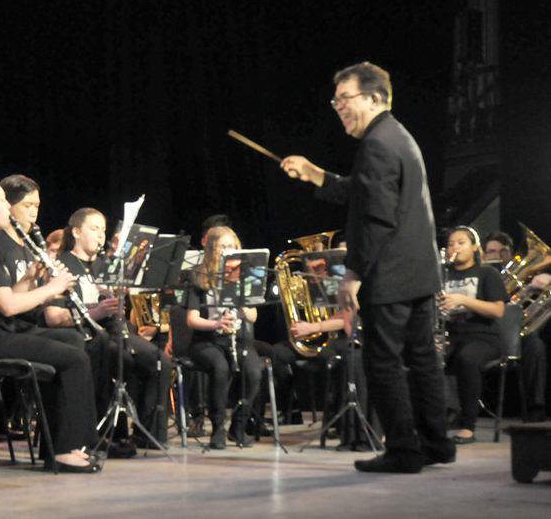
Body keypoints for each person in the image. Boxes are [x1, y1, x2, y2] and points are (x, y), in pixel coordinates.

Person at [280, 61, 455, 473]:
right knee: (423, 359)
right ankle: (436, 443)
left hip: (390, 275)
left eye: (346, 98)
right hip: (418, 272)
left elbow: (375, 219)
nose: (338, 106)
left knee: (384, 363)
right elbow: (364, 194)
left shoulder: (376, 144)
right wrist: (315, 174)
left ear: (374, 98)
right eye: (335, 100)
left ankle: (404, 451)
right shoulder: (395, 136)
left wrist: (353, 275)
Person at [0, 173, 99, 473]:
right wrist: (51, 289)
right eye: (2, 200)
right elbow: (8, 306)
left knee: (72, 341)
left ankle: (55, 445)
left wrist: (29, 281)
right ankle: (67, 449)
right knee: (74, 357)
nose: (6, 206)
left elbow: (4, 298)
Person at [45, 207, 173, 448]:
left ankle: (147, 433)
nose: (101, 235)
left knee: (160, 362)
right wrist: (97, 310)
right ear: (76, 232)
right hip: (85, 334)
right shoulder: (62, 265)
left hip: (115, 330)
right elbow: (54, 315)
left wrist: (119, 295)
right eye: (94, 229)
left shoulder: (107, 264)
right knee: (121, 358)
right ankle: (108, 432)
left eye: (103, 229)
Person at [185, 226, 263, 449]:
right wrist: (216, 324)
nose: (228, 251)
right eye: (223, 247)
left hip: (238, 340)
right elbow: (192, 319)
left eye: (232, 247)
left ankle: (238, 426)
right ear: (212, 250)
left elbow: (253, 316)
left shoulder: (243, 276)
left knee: (254, 372)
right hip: (206, 340)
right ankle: (218, 427)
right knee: (220, 368)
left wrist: (240, 298)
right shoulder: (198, 275)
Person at [440, 227, 507, 442]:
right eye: (451, 243)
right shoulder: (442, 275)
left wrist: (463, 300)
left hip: (483, 336)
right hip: (451, 334)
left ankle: (467, 426)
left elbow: (497, 310)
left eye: (461, 243)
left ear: (475, 248)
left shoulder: (487, 273)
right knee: (422, 357)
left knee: (467, 358)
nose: (455, 247)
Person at [484, 229, 547, 422]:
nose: (497, 256)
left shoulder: (519, 277)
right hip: (486, 331)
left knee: (534, 345)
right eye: (491, 252)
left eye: (501, 251)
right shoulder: (483, 274)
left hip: (512, 333)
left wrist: (531, 288)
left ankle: (535, 406)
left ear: (509, 252)